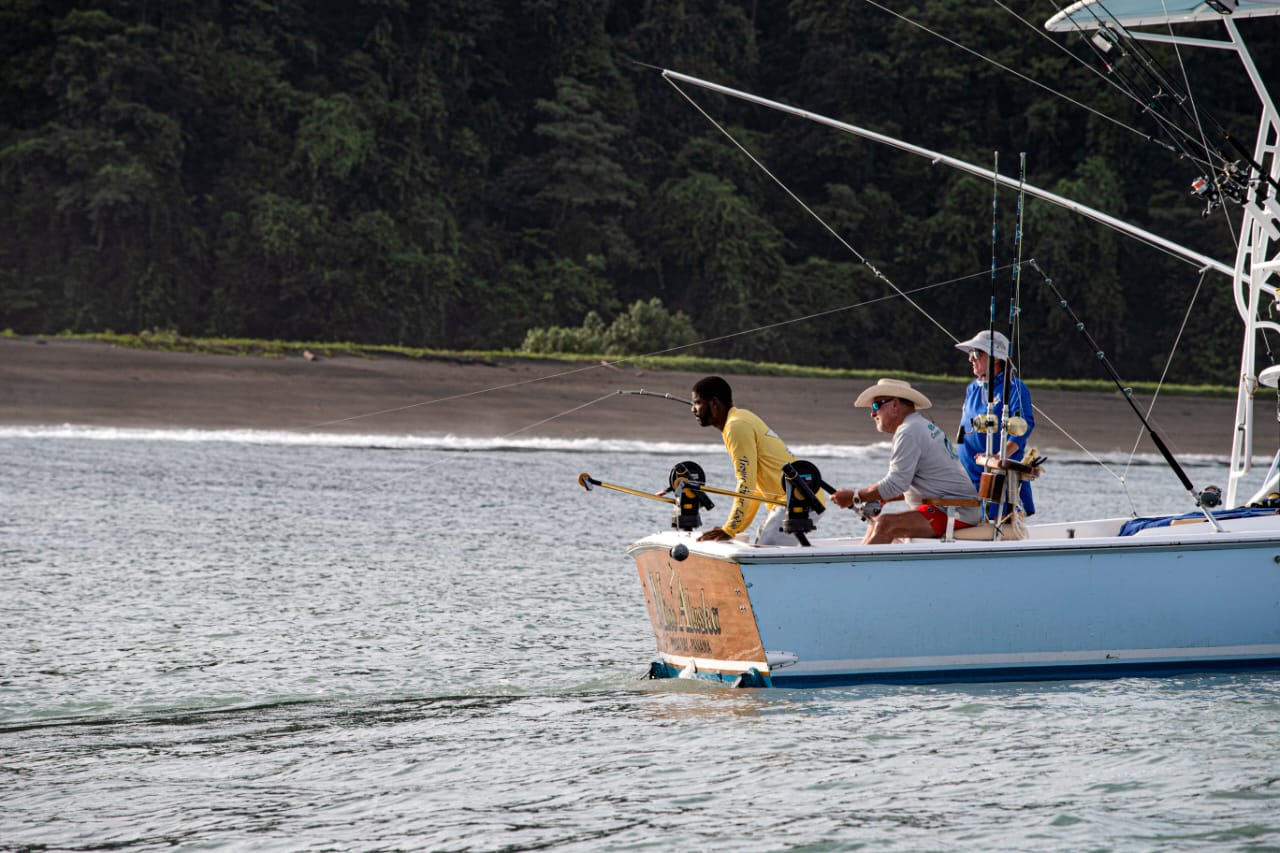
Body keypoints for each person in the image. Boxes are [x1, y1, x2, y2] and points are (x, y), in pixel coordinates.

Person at [831, 378, 980, 544]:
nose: (872, 413)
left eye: (876, 406)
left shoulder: (909, 431)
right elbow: (916, 484)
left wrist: (855, 497)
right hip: (946, 506)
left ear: (895, 404)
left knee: (885, 524)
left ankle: (859, 561)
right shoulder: (918, 426)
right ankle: (860, 557)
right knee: (875, 523)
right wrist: (883, 498)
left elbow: (895, 484)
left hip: (956, 511)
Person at [690, 375, 814, 545]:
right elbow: (754, 487)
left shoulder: (736, 426)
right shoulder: (741, 417)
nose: (693, 409)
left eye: (697, 402)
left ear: (714, 403)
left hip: (800, 500)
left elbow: (745, 483)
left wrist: (730, 528)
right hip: (797, 499)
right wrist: (734, 528)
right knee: (762, 541)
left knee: (767, 544)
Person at [954, 330, 1036, 518]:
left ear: (996, 358)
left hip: (996, 477)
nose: (970, 359)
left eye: (976, 353)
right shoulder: (972, 388)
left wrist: (998, 456)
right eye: (970, 353)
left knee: (995, 521)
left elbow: (1025, 426)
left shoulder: (1014, 387)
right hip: (967, 477)